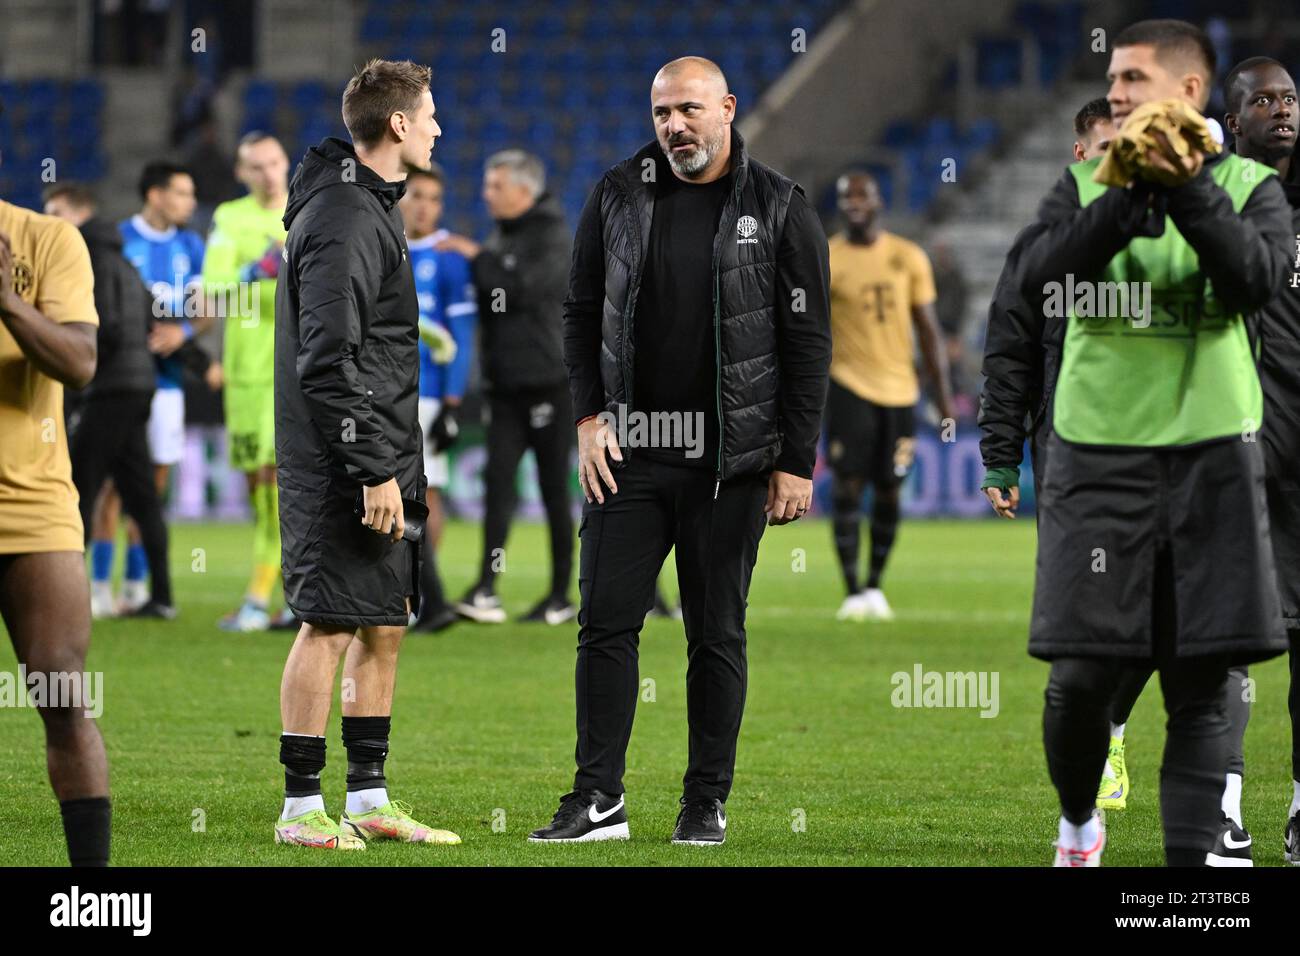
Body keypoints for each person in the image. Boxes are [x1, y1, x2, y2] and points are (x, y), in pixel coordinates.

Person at [1003, 19, 1292, 866]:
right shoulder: (1085, 184)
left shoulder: (1249, 186)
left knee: (1201, 689)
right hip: (1097, 460)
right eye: (1115, 78)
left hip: (1214, 459)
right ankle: (1078, 825)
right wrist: (1129, 203)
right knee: (1081, 678)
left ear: (1189, 92)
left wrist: (1191, 189)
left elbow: (1254, 280)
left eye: (1132, 78)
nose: (1117, 93)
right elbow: (1034, 279)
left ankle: (1188, 890)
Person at [530, 56, 830, 844]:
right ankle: (599, 800)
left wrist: (796, 458)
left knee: (715, 634)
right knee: (603, 625)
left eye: (690, 110)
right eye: (662, 112)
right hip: (628, 454)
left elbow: (808, 342)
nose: (674, 127)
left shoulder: (779, 205)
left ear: (728, 108)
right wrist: (588, 417)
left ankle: (705, 801)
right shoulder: (618, 192)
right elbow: (579, 310)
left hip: (731, 461)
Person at [273, 58, 458, 850]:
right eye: (432, 114)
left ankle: (371, 797)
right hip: (343, 463)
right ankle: (300, 808)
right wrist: (372, 467)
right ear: (400, 126)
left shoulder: (369, 205)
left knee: (384, 623)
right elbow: (325, 359)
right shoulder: (347, 213)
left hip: (384, 452)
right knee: (331, 622)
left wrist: (394, 462)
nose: (440, 128)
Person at [979, 98, 1150, 815]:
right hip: (1070, 458)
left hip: (1162, 454)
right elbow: (1009, 351)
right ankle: (1092, 758)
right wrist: (999, 456)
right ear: (1081, 155)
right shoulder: (1044, 243)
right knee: (1091, 615)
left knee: (1153, 617)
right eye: (1109, 148)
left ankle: (1112, 727)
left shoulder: (1174, 234)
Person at [0, 101, 110, 864]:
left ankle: (94, 888)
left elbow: (77, 363)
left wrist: (6, 299)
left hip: (30, 505)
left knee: (64, 696)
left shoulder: (45, 238)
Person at [1214, 55, 1300, 866]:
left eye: (1290, 97)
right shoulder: (1209, 204)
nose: (1281, 109)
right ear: (1230, 119)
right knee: (1234, 642)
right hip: (1238, 451)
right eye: (1263, 100)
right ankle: (1227, 812)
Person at [437, 150, 575, 626]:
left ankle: (560, 595)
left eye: (495, 186)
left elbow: (520, 290)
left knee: (555, 489)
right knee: (498, 487)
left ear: (524, 190)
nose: (485, 193)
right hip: (505, 387)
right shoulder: (506, 235)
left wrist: (478, 257)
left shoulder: (553, 236)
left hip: (549, 385)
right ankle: (486, 588)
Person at [825, 171, 953, 623]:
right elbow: (806, 332)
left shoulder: (908, 256)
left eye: (863, 196)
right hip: (848, 386)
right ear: (839, 205)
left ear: (879, 202)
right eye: (847, 197)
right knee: (847, 485)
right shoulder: (827, 257)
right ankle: (851, 589)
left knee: (890, 489)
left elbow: (930, 332)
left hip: (900, 392)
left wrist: (943, 400)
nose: (855, 203)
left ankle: (876, 585)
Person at [43, 183, 175, 619]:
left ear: (78, 212)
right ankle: (163, 596)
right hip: (138, 389)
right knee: (140, 495)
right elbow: (155, 316)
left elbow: (107, 327)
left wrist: (80, 377)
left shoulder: (86, 257)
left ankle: (64, 598)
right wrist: (193, 358)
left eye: (55, 210)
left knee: (78, 487)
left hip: (107, 392)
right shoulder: (123, 259)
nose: (48, 219)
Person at [91, 161, 207, 616]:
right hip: (122, 382)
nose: (191, 203)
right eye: (183, 193)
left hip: (170, 383)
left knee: (150, 488)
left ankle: (137, 584)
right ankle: (100, 584)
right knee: (109, 487)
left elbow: (205, 310)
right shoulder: (119, 240)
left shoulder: (191, 245)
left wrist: (184, 335)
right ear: (156, 195)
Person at [201, 131, 296, 632]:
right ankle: (287, 597)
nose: (268, 173)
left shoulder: (305, 210)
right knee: (258, 491)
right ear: (242, 173)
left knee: (278, 483)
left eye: (275, 162)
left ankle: (262, 599)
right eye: (256, 166)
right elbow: (212, 292)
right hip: (245, 372)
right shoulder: (228, 219)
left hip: (293, 367)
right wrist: (252, 273)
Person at [397, 163, 477, 632]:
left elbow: (461, 337)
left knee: (426, 495)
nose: (424, 206)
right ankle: (410, 591)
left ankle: (424, 590)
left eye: (433, 198)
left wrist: (451, 405)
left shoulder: (449, 258)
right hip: (387, 396)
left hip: (427, 397)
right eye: (416, 195)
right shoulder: (385, 246)